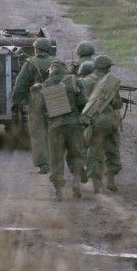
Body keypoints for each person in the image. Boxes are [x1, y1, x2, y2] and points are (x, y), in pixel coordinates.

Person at [42, 59, 87, 200]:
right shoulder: (74, 80)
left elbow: (43, 107)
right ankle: (75, 182)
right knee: (75, 154)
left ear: (52, 70)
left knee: (56, 158)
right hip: (73, 125)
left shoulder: (47, 83)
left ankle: (58, 192)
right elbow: (82, 103)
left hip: (55, 126)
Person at [10, 37, 56, 173]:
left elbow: (21, 84)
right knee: (54, 130)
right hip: (55, 97)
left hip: (36, 98)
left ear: (37, 49)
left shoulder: (30, 62)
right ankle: (56, 161)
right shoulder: (56, 62)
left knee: (37, 131)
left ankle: (43, 164)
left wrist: (16, 101)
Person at [81, 54, 123, 193]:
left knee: (93, 149)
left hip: (94, 121)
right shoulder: (111, 82)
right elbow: (117, 104)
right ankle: (110, 179)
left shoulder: (85, 81)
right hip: (111, 120)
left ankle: (96, 182)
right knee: (112, 147)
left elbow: (81, 103)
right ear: (108, 68)